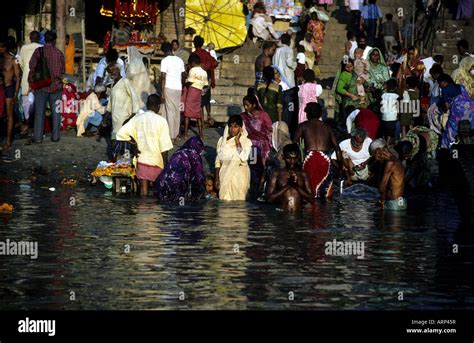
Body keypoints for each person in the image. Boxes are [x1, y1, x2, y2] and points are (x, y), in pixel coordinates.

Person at [116, 94, 173, 196]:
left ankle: (142, 210)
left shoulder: (137, 118)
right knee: (158, 190)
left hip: (142, 159)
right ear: (159, 106)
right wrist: (165, 165)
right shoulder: (162, 121)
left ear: (147, 105)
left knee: (143, 190)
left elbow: (121, 133)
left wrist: (133, 144)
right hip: (157, 160)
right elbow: (164, 147)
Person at [294, 102, 343, 199]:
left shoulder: (303, 126)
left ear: (307, 114)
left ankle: (309, 212)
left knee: (310, 191)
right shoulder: (327, 127)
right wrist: (340, 167)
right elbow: (337, 148)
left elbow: (294, 145)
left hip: (310, 159)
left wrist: (296, 163)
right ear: (320, 114)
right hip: (325, 160)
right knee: (325, 191)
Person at [28, 31, 65, 144]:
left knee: (39, 112)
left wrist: (31, 82)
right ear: (54, 40)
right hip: (56, 86)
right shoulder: (59, 53)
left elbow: (31, 66)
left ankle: (38, 138)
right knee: (56, 112)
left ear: (44, 39)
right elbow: (62, 71)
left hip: (41, 86)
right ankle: (55, 137)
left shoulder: (38, 51)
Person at [105, 62, 140, 159]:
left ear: (118, 70)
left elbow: (134, 98)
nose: (112, 74)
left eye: (113, 71)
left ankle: (124, 163)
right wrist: (105, 118)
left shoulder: (125, 82)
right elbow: (110, 104)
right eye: (110, 72)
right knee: (115, 143)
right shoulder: (113, 85)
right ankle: (116, 164)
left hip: (125, 118)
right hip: (115, 120)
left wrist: (132, 116)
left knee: (124, 144)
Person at [241, 95, 273, 198]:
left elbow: (270, 129)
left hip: (263, 146)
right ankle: (253, 189)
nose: (245, 108)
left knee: (263, 168)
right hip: (251, 145)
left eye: (247, 105)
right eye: (244, 105)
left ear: (254, 105)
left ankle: (262, 190)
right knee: (253, 167)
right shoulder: (243, 116)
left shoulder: (263, 115)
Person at [266, 143, 314, 211]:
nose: (292, 161)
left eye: (295, 158)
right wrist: (288, 185)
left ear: (298, 157)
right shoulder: (276, 174)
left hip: (299, 217)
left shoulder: (303, 174)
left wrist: (296, 186)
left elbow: (311, 199)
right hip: (282, 216)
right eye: (288, 158)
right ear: (283, 157)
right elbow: (269, 199)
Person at [214, 115, 252, 201]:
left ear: (240, 128)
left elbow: (244, 157)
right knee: (224, 202)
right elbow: (218, 160)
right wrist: (216, 178)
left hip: (239, 176)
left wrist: (238, 142)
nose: (232, 129)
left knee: (238, 204)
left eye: (236, 127)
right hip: (224, 174)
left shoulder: (246, 142)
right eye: (230, 126)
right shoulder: (221, 140)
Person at [155, 136, 205, 201]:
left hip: (163, 182)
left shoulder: (178, 152)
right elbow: (198, 176)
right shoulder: (195, 155)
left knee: (166, 203)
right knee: (180, 205)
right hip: (178, 184)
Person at [438, 73, 474, 149]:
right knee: (470, 127)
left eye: (439, 83)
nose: (439, 86)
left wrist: (443, 111)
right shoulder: (460, 86)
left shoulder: (444, 90)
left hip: (457, 112)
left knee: (451, 129)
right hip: (470, 110)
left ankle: (448, 148)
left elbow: (447, 107)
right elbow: (467, 98)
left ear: (444, 82)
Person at [369, 138, 407, 210]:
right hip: (399, 202)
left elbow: (382, 188)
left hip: (393, 203)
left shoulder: (390, 163)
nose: (375, 159)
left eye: (373, 155)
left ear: (377, 151)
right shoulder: (395, 159)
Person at [273, 34, 297, 134]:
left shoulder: (277, 50)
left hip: (279, 81)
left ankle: (278, 126)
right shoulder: (289, 50)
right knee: (288, 106)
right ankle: (287, 127)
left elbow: (274, 64)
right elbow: (290, 63)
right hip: (288, 82)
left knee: (279, 105)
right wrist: (296, 64)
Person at [160, 42, 185, 141]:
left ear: (164, 51)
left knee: (170, 111)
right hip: (178, 88)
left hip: (169, 87)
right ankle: (175, 132)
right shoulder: (180, 60)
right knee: (176, 111)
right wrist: (181, 86)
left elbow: (163, 77)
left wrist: (162, 92)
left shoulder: (164, 60)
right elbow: (183, 75)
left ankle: (171, 136)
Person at [191, 35, 218, 125]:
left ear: (194, 44)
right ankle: (209, 115)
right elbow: (214, 63)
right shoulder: (206, 54)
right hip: (207, 78)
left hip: (197, 80)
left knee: (199, 99)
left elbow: (190, 67)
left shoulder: (194, 54)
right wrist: (206, 67)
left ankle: (201, 120)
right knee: (206, 98)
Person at [18, 31, 42, 132]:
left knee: (26, 104)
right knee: (38, 103)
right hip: (39, 79)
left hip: (26, 78)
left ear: (30, 38)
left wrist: (26, 72)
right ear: (38, 38)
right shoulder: (42, 47)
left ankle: (27, 124)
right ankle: (35, 126)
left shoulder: (24, 48)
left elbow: (21, 64)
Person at [182, 54, 208, 139]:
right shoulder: (204, 72)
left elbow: (189, 82)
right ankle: (201, 134)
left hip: (192, 92)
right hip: (199, 93)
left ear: (192, 63)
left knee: (187, 113)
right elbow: (206, 85)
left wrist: (185, 82)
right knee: (198, 114)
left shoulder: (192, 70)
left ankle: (185, 134)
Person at [0, 41, 20, 150]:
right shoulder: (2, 60)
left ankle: (8, 141)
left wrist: (16, 93)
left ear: (4, 47)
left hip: (9, 89)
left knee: (9, 116)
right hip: (3, 90)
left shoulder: (13, 60)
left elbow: (17, 77)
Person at [380, 78, 400, 142]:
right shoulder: (396, 96)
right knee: (390, 132)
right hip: (392, 117)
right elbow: (398, 107)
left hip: (384, 116)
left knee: (384, 130)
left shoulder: (383, 95)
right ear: (395, 87)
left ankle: (383, 141)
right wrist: (398, 115)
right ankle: (388, 143)